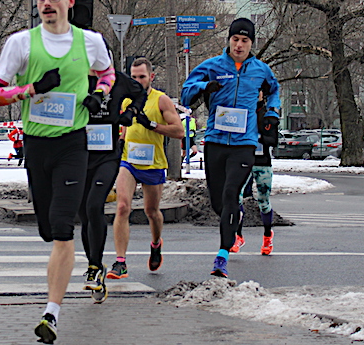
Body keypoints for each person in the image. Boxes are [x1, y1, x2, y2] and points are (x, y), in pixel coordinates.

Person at [0, 0, 116, 344]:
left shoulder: (90, 41)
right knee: (47, 228)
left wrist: (98, 95)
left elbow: (107, 75)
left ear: (70, 2)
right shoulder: (21, 43)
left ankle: (51, 314)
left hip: (72, 144)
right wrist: (32, 89)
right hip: (37, 145)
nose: (46, 3)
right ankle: (66, 280)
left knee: (62, 227)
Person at [181, 18, 281, 279]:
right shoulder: (213, 66)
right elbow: (186, 92)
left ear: (251, 43)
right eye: (235, 39)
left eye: (245, 41)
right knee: (218, 202)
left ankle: (222, 255)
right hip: (216, 141)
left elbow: (274, 91)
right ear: (229, 40)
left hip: (244, 144)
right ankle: (230, 223)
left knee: (230, 194)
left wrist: (272, 113)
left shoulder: (260, 70)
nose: (239, 45)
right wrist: (205, 87)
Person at [108, 57, 184, 280]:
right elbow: (124, 128)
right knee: (123, 207)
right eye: (133, 77)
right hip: (129, 161)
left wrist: (152, 125)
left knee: (152, 212)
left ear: (151, 77)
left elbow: (179, 131)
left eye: (142, 77)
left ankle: (156, 243)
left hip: (153, 163)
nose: (138, 81)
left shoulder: (161, 100)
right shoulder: (125, 99)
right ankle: (120, 262)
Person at [78, 69, 146, 302]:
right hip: (79, 154)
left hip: (107, 154)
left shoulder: (117, 79)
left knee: (94, 205)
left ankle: (94, 267)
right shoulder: (75, 75)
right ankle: (94, 265)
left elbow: (141, 93)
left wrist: (131, 111)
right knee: (84, 214)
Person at [231, 89, 279, 256]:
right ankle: (238, 236)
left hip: (262, 163)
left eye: (258, 91)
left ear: (262, 95)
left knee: (263, 201)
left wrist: (257, 137)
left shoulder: (269, 116)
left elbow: (273, 141)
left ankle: (267, 235)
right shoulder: (242, 113)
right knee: (236, 198)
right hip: (244, 161)